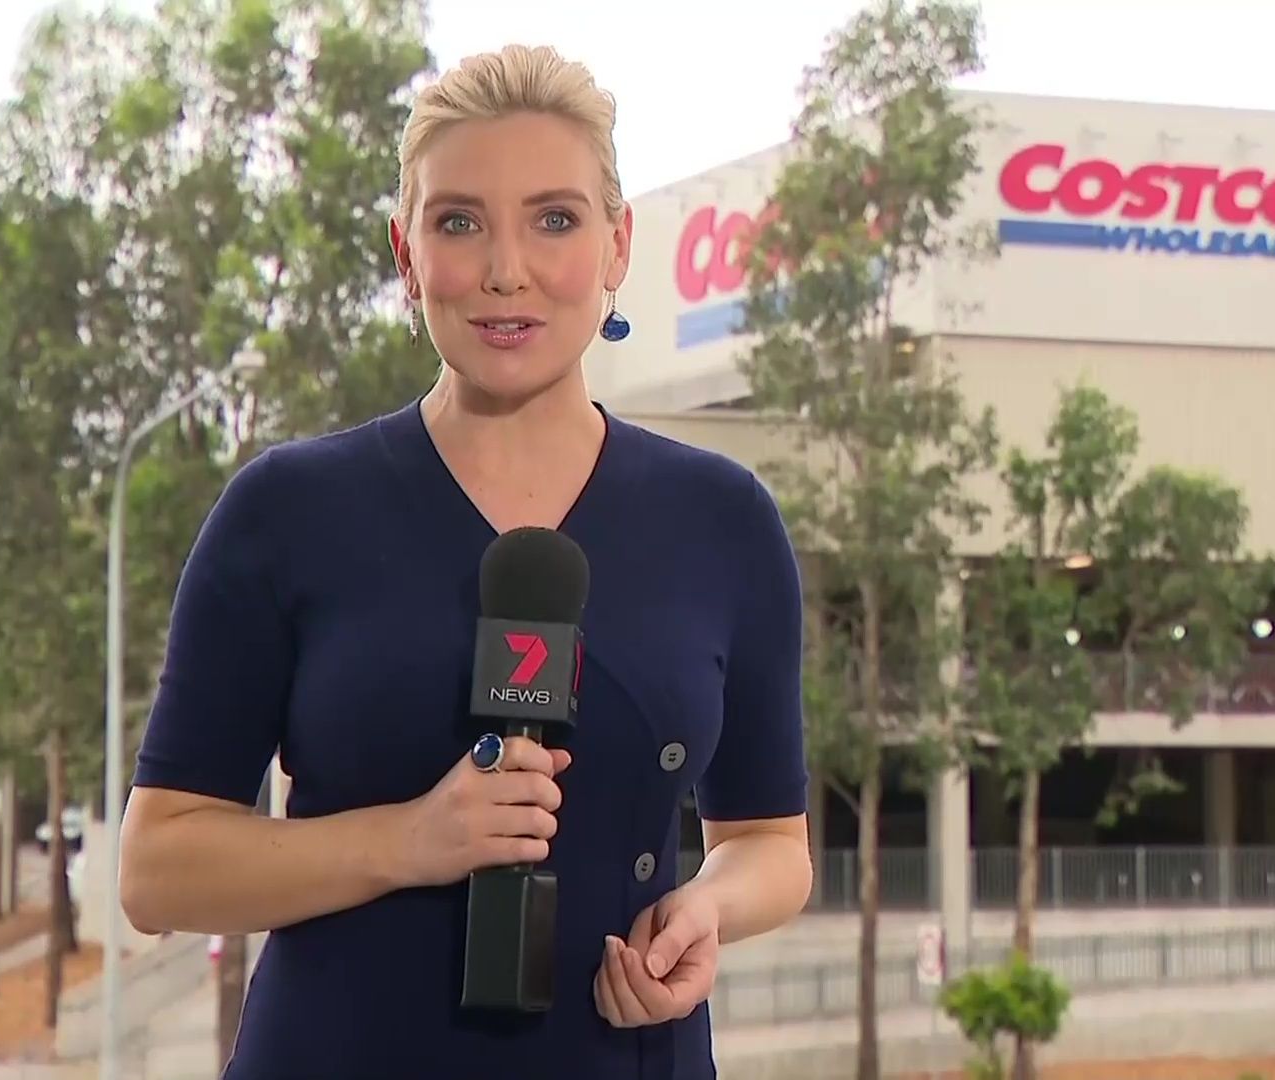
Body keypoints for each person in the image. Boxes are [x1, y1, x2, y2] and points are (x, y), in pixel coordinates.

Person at [118, 43, 812, 1079]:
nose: (505, 269)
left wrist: (706, 908)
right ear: (407, 255)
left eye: (554, 219)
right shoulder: (287, 512)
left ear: (618, 245)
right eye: (459, 222)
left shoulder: (725, 521)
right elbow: (157, 870)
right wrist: (408, 840)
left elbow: (772, 843)